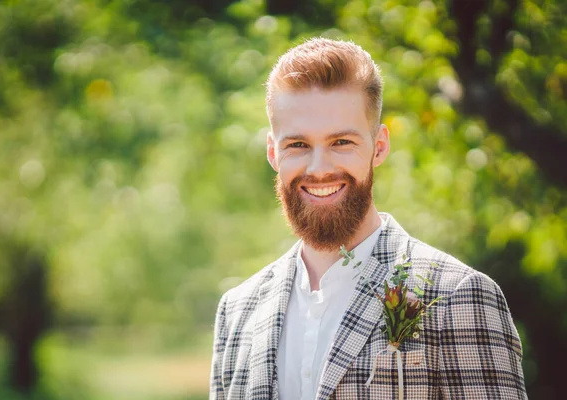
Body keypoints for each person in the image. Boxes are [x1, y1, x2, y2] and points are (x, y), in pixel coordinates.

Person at [210, 38, 527, 400]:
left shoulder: (459, 295)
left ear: (379, 146)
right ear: (273, 152)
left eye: (341, 142)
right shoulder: (237, 310)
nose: (319, 169)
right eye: (297, 145)